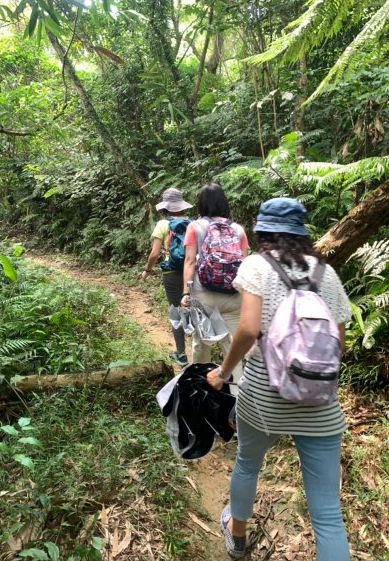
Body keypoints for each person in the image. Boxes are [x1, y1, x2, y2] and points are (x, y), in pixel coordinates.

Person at [207, 197, 351, 561]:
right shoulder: (326, 273)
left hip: (263, 396)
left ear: (263, 231)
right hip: (319, 402)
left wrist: (223, 373)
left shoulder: (257, 265)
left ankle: (237, 536)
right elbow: (340, 343)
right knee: (328, 515)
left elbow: (248, 329)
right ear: (303, 233)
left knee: (248, 462)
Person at [182, 184, 249, 385]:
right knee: (233, 348)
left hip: (204, 295)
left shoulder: (194, 227)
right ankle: (238, 400)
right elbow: (244, 264)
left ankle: (199, 391)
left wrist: (186, 292)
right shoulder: (238, 230)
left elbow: (190, 261)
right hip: (233, 296)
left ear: (201, 204)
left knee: (202, 345)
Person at [140, 188, 193, 366]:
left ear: (166, 207)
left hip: (171, 274)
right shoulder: (194, 224)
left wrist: (147, 270)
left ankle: (181, 353)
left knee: (176, 310)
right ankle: (201, 352)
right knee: (195, 310)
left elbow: (154, 253)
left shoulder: (162, 225)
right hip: (192, 273)